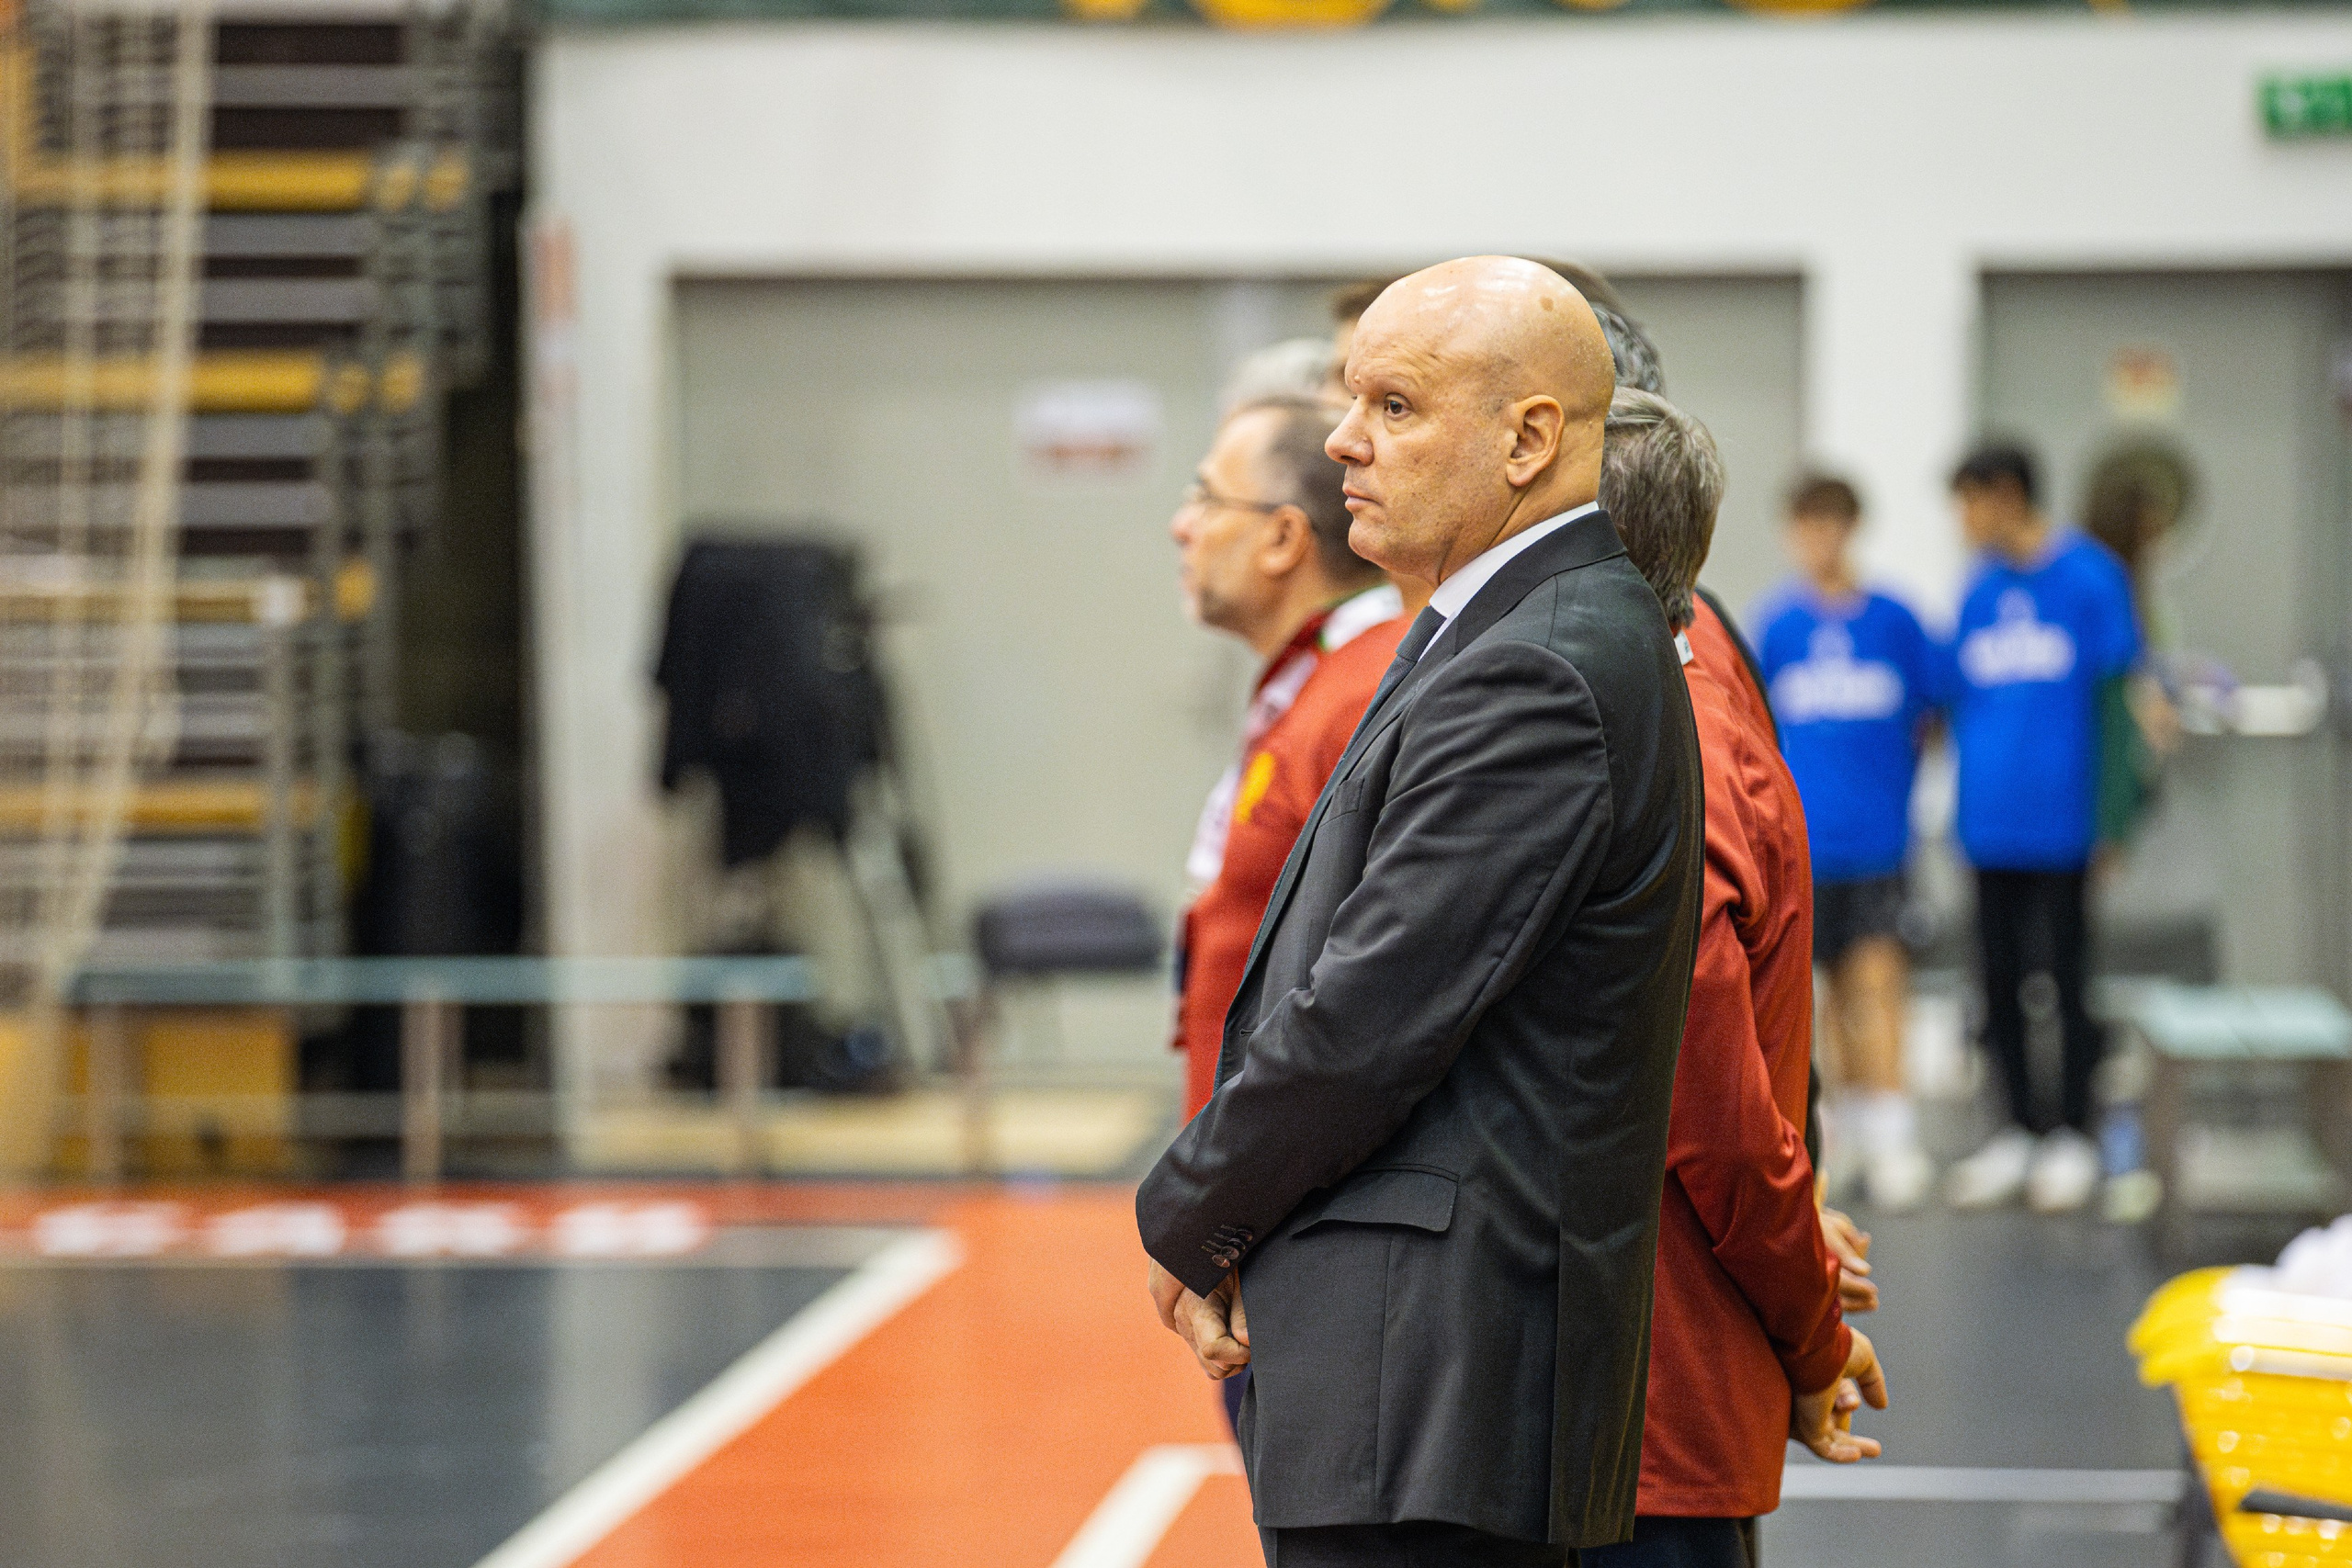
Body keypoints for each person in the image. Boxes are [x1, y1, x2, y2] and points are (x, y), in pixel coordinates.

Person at [1138, 256, 1704, 1566]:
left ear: (1529, 438)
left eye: (1395, 406)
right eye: (1353, 400)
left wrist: (1190, 1207)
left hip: (1436, 1379)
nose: (1343, 439)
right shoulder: (1504, 625)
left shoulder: (1537, 664)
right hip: (1417, 1371)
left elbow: (1375, 1010)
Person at [1585, 390, 1888, 1568]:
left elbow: (1714, 1111)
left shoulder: (1675, 728)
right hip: (1620, 1381)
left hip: (1650, 1386)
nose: (1357, 444)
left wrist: (1809, 1324)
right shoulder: (1677, 679)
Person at [1939, 443, 2143, 1214]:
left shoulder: (2091, 577)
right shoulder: (1979, 588)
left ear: (2005, 494)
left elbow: (2115, 705)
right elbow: (1956, 694)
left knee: (2064, 978)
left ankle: (2073, 1133)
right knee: (1994, 982)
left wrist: (2114, 820)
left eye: (1969, 501)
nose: (1963, 520)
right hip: (1988, 823)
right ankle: (2017, 1129)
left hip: (2064, 825)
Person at [1752, 473, 1940, 1213]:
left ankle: (1893, 1133)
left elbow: (1931, 716)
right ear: (1792, 532)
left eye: (1833, 524)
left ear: (1852, 529)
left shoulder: (1895, 619)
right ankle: (1847, 1135)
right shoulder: (1777, 625)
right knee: (1819, 993)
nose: (1820, 539)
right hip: (1802, 843)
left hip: (1879, 839)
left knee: (1879, 982)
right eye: (1807, 525)